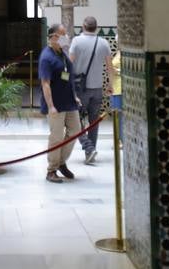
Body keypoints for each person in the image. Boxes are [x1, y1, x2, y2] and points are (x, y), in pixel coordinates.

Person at [38, 24, 81, 183]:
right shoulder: (46, 57)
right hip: (55, 104)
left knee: (75, 130)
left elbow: (67, 76)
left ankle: (61, 162)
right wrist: (50, 106)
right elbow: (45, 84)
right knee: (56, 137)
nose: (66, 37)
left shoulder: (61, 53)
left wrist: (74, 96)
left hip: (69, 102)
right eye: (63, 35)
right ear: (54, 37)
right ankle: (51, 170)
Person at [69, 16, 113, 164]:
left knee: (76, 121)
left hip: (81, 90)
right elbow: (109, 67)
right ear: (97, 27)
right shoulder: (104, 43)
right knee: (94, 121)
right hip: (98, 88)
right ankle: (91, 150)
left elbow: (69, 64)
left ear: (83, 26)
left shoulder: (76, 41)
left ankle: (88, 149)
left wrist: (65, 84)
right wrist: (110, 85)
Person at [110, 48, 122, 145]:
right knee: (117, 116)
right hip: (115, 88)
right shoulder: (118, 52)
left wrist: (116, 71)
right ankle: (118, 138)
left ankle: (121, 139)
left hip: (120, 89)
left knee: (119, 116)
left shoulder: (126, 53)